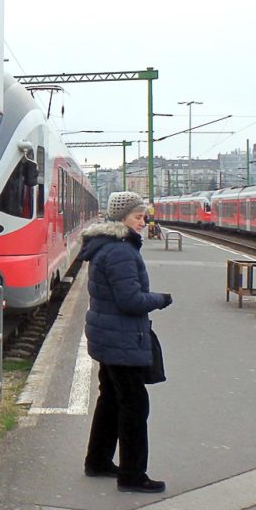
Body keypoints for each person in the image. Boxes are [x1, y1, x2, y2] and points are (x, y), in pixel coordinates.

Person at [79, 191, 173, 493]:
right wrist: (160, 299)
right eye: (138, 216)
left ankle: (98, 461)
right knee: (134, 405)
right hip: (121, 338)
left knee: (110, 398)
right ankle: (132, 475)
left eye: (144, 216)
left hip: (109, 335)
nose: (143, 222)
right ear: (122, 218)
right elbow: (130, 300)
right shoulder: (120, 251)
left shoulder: (107, 246)